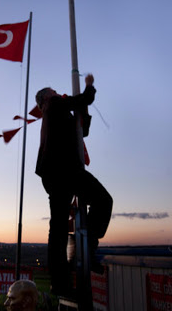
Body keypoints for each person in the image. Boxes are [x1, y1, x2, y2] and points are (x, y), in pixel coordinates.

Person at [35, 73, 113, 296]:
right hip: (65, 170)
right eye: (53, 91)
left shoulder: (55, 113)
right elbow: (83, 99)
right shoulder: (54, 104)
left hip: (55, 172)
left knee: (58, 228)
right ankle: (86, 249)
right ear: (46, 97)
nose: (57, 92)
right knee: (102, 200)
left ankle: (62, 280)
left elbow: (82, 132)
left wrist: (82, 110)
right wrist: (89, 85)